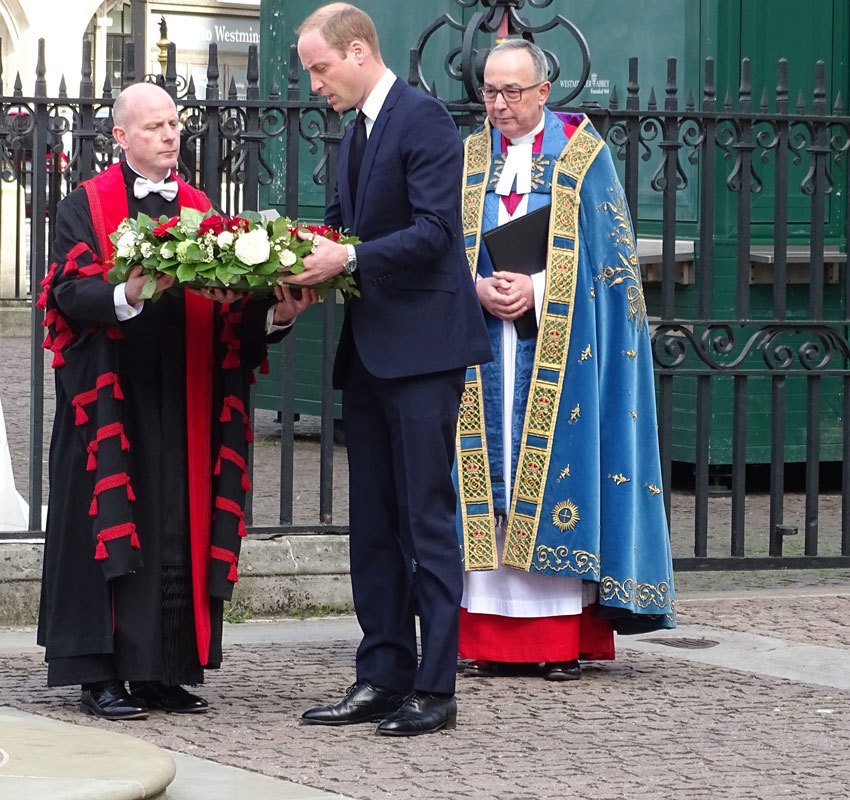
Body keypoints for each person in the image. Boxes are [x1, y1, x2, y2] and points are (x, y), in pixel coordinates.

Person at [36, 82, 316, 720]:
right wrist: (129, 293)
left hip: (189, 395)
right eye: (156, 126)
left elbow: (232, 316)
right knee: (104, 525)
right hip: (113, 397)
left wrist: (274, 313)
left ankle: (165, 670)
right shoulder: (85, 206)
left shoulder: (202, 211)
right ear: (121, 137)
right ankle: (100, 675)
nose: (170, 135)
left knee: (178, 527)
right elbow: (67, 295)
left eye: (175, 123)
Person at [286, 4, 492, 736]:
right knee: (371, 524)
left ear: (359, 51)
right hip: (371, 352)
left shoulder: (425, 119)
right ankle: (380, 675)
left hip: (424, 353)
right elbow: (344, 225)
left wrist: (347, 257)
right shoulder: (355, 133)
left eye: (320, 68)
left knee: (426, 520)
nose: (315, 85)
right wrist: (289, 264)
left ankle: (434, 690)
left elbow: (437, 233)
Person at [452, 39, 675, 681]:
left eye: (512, 93)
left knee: (556, 477)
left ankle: (555, 640)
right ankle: (483, 639)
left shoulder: (585, 159)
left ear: (544, 92)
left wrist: (540, 289)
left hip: (559, 355)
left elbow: (615, 271)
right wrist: (475, 286)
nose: (499, 105)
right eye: (490, 92)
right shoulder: (468, 160)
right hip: (482, 353)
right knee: (481, 484)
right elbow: (446, 247)